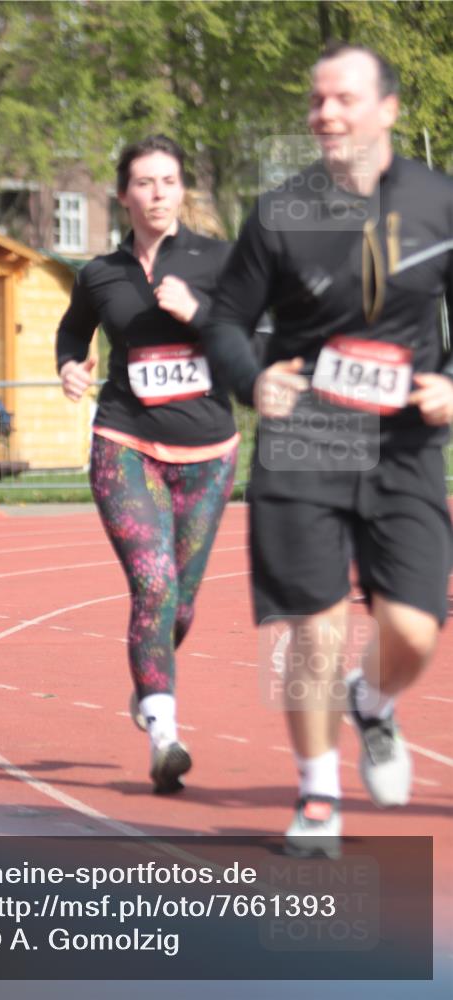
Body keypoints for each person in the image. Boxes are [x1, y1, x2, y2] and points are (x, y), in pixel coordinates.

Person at [201, 43, 453, 856]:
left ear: (387, 109)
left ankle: (371, 704)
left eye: (342, 99)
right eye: (315, 102)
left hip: (404, 442)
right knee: (312, 629)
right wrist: (251, 379)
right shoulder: (280, 213)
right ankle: (316, 795)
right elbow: (222, 320)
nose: (325, 115)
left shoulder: (437, 203)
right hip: (306, 431)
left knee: (413, 630)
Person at [56, 135, 239, 794]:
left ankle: (147, 679)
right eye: (145, 182)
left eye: (168, 181)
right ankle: (163, 731)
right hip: (124, 443)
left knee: (180, 607)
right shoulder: (98, 273)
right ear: (124, 194)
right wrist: (68, 367)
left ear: (181, 189)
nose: (157, 193)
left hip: (209, 454)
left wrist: (204, 314)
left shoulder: (220, 260)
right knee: (154, 586)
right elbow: (73, 330)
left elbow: (263, 337)